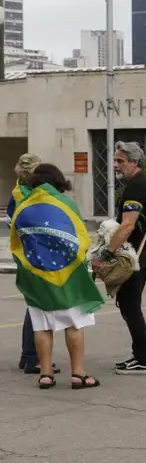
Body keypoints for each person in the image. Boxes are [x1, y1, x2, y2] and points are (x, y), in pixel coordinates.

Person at [14, 164, 105, 389]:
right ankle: (78, 373)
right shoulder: (66, 205)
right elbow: (81, 239)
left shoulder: (23, 205)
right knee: (74, 323)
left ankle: (45, 374)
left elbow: (17, 243)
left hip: (35, 275)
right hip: (67, 275)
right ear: (58, 182)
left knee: (41, 325)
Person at [96, 141, 146, 376]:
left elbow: (127, 225)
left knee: (131, 306)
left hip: (136, 256)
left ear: (134, 162)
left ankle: (144, 359)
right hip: (143, 253)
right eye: (115, 160)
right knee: (129, 306)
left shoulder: (138, 187)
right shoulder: (141, 184)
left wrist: (105, 253)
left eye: (120, 161)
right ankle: (140, 356)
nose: (116, 165)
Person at [10, 153, 57, 377]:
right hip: (35, 255)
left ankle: (27, 355)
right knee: (37, 306)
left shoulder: (18, 193)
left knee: (33, 304)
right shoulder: (27, 196)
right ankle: (32, 358)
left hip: (25, 254)